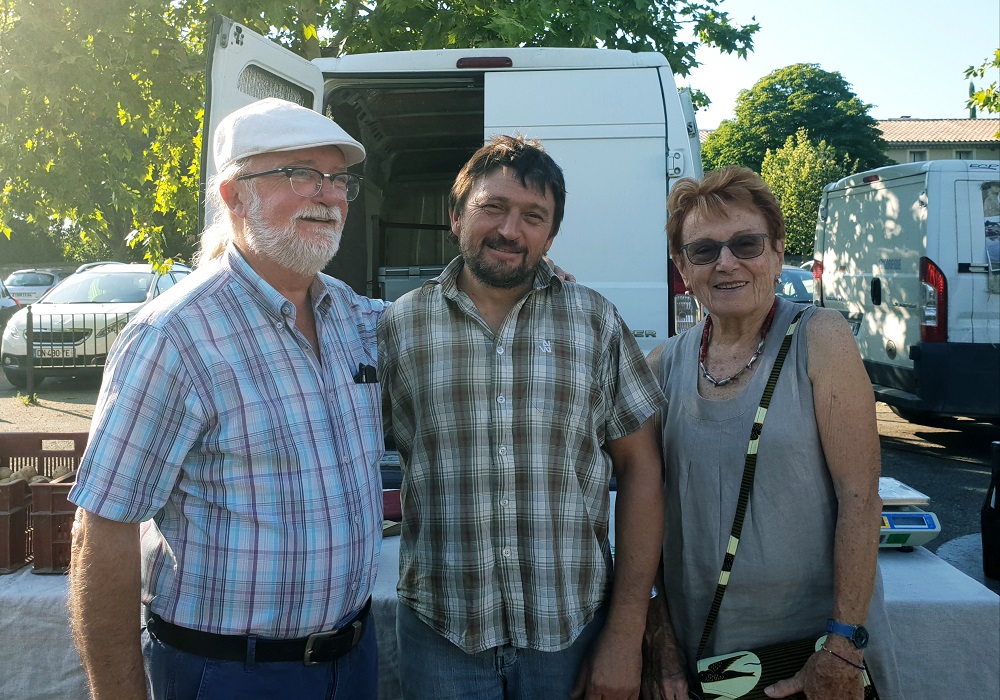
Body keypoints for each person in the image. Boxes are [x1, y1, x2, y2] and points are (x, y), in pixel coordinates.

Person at [67, 97, 387, 700]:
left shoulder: (351, 315)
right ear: (234, 195)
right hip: (229, 675)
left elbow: (444, 322)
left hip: (353, 660)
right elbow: (103, 526)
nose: (328, 194)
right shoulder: (174, 337)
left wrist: (524, 275)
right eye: (300, 173)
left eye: (337, 178)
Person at [377, 134, 666, 699]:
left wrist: (626, 632)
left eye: (534, 216)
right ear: (456, 216)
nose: (511, 230)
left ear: (552, 234)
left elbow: (642, 471)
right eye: (493, 207)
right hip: (441, 633)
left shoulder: (596, 323)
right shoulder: (396, 328)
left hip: (573, 633)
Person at [641, 166, 900, 700]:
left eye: (746, 243)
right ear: (682, 269)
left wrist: (843, 646)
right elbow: (649, 513)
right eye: (704, 250)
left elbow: (860, 497)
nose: (727, 263)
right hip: (699, 662)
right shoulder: (664, 364)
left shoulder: (820, 338)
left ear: (778, 252)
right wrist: (660, 633)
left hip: (806, 662)